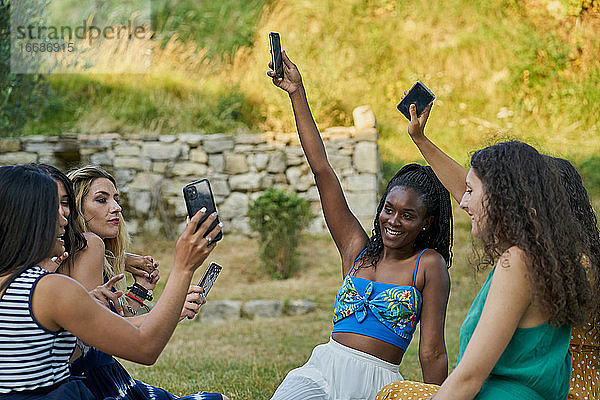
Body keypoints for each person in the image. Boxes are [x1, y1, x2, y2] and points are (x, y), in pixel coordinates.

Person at [267, 52, 454, 399]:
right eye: (388, 209)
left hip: (378, 385)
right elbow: (322, 169)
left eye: (407, 216)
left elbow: (433, 352)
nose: (393, 221)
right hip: (322, 371)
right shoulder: (357, 248)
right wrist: (297, 92)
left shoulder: (428, 265)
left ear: (426, 223)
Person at [377, 105, 594, 399]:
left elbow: (468, 378)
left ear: (503, 198)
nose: (463, 203)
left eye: (470, 192)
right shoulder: (545, 258)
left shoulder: (524, 261)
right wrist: (421, 140)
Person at [0, 164, 220, 399]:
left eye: (64, 206)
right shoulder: (49, 288)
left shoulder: (26, 284)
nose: (65, 219)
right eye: (53, 209)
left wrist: (87, 302)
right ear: (26, 218)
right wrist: (183, 267)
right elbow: (145, 348)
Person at [61, 165, 227, 400]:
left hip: (97, 375)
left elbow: (112, 320)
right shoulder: (89, 245)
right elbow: (97, 336)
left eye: (115, 199)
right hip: (93, 381)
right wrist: (171, 309)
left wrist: (138, 292)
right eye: (101, 200)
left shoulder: (83, 251)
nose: (116, 208)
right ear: (77, 208)